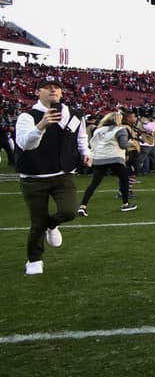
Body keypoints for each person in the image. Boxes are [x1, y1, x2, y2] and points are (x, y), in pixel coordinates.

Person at [14, 77, 91, 275]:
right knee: (37, 222)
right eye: (47, 88)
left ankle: (53, 224)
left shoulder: (74, 114)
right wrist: (41, 125)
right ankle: (34, 259)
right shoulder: (27, 116)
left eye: (56, 88)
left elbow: (81, 136)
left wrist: (86, 153)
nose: (52, 91)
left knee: (69, 211)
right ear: (38, 92)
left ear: (62, 92)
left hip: (63, 173)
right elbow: (25, 144)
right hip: (34, 176)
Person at [77, 110, 137, 216]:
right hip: (115, 157)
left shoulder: (98, 130)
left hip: (99, 158)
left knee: (94, 183)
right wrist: (131, 143)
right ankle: (125, 204)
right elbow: (123, 145)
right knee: (124, 180)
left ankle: (83, 206)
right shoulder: (120, 129)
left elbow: (92, 144)